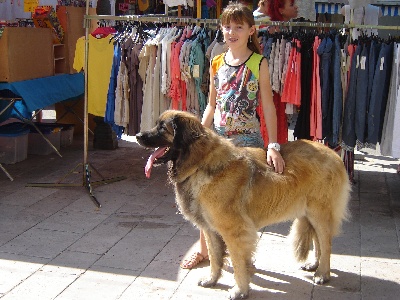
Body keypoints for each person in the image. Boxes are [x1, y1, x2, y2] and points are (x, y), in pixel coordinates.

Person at [180, 1, 285, 269]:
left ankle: (241, 254)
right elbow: (212, 105)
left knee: (241, 204)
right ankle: (206, 252)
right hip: (218, 142)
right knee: (204, 198)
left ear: (251, 30)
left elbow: (268, 106)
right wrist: (199, 134)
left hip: (247, 143)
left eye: (238, 26)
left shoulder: (258, 62)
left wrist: (272, 145)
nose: (231, 32)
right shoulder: (216, 62)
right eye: (227, 26)